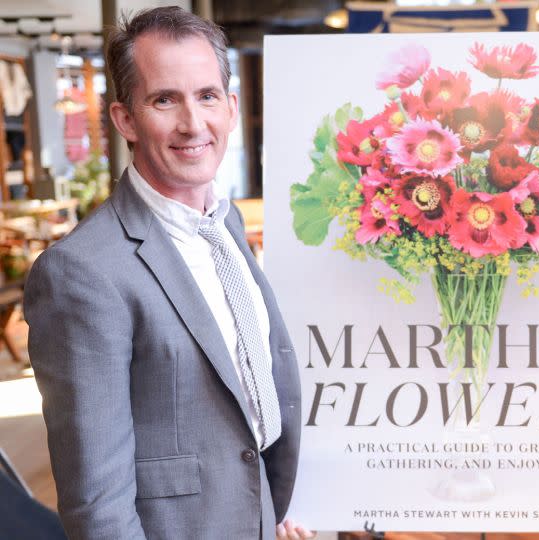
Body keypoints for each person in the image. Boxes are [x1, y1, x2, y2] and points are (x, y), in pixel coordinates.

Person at [25, 7, 311, 539]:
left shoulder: (221, 225)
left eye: (206, 96)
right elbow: (97, 503)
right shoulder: (82, 272)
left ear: (229, 106)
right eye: (164, 99)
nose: (193, 124)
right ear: (125, 119)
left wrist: (270, 516)